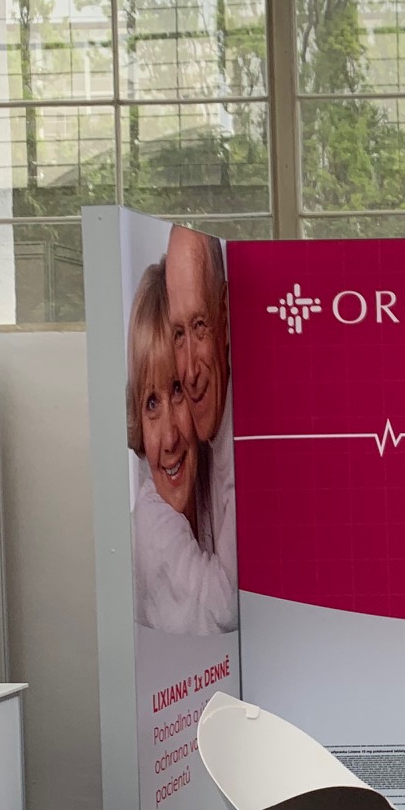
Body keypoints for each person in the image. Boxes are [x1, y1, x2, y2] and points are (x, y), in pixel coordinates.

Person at [127, 262, 238, 634]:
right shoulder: (152, 525)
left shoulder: (203, 483)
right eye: (151, 404)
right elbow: (227, 610)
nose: (169, 437)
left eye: (177, 391)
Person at [165, 226, 234, 584]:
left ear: (225, 314)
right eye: (179, 334)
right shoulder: (187, 439)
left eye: (200, 326)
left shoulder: (246, 453)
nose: (190, 372)